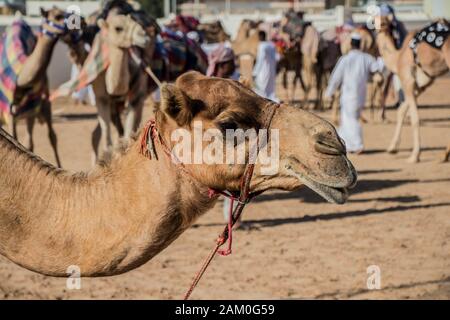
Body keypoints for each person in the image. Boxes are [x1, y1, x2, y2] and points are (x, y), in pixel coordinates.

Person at [325, 33, 384, 154]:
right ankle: (346, 145)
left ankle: (357, 145)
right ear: (360, 45)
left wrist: (329, 92)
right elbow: (378, 68)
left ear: (351, 44)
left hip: (348, 95)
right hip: (361, 95)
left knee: (350, 119)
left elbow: (336, 77)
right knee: (347, 119)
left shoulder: (345, 59)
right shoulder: (367, 58)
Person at [253, 30, 279, 102]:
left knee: (261, 90)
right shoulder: (271, 44)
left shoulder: (262, 46)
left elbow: (260, 60)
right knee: (270, 90)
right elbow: (277, 57)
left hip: (263, 71)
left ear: (260, 36)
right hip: (272, 70)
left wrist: (255, 72)